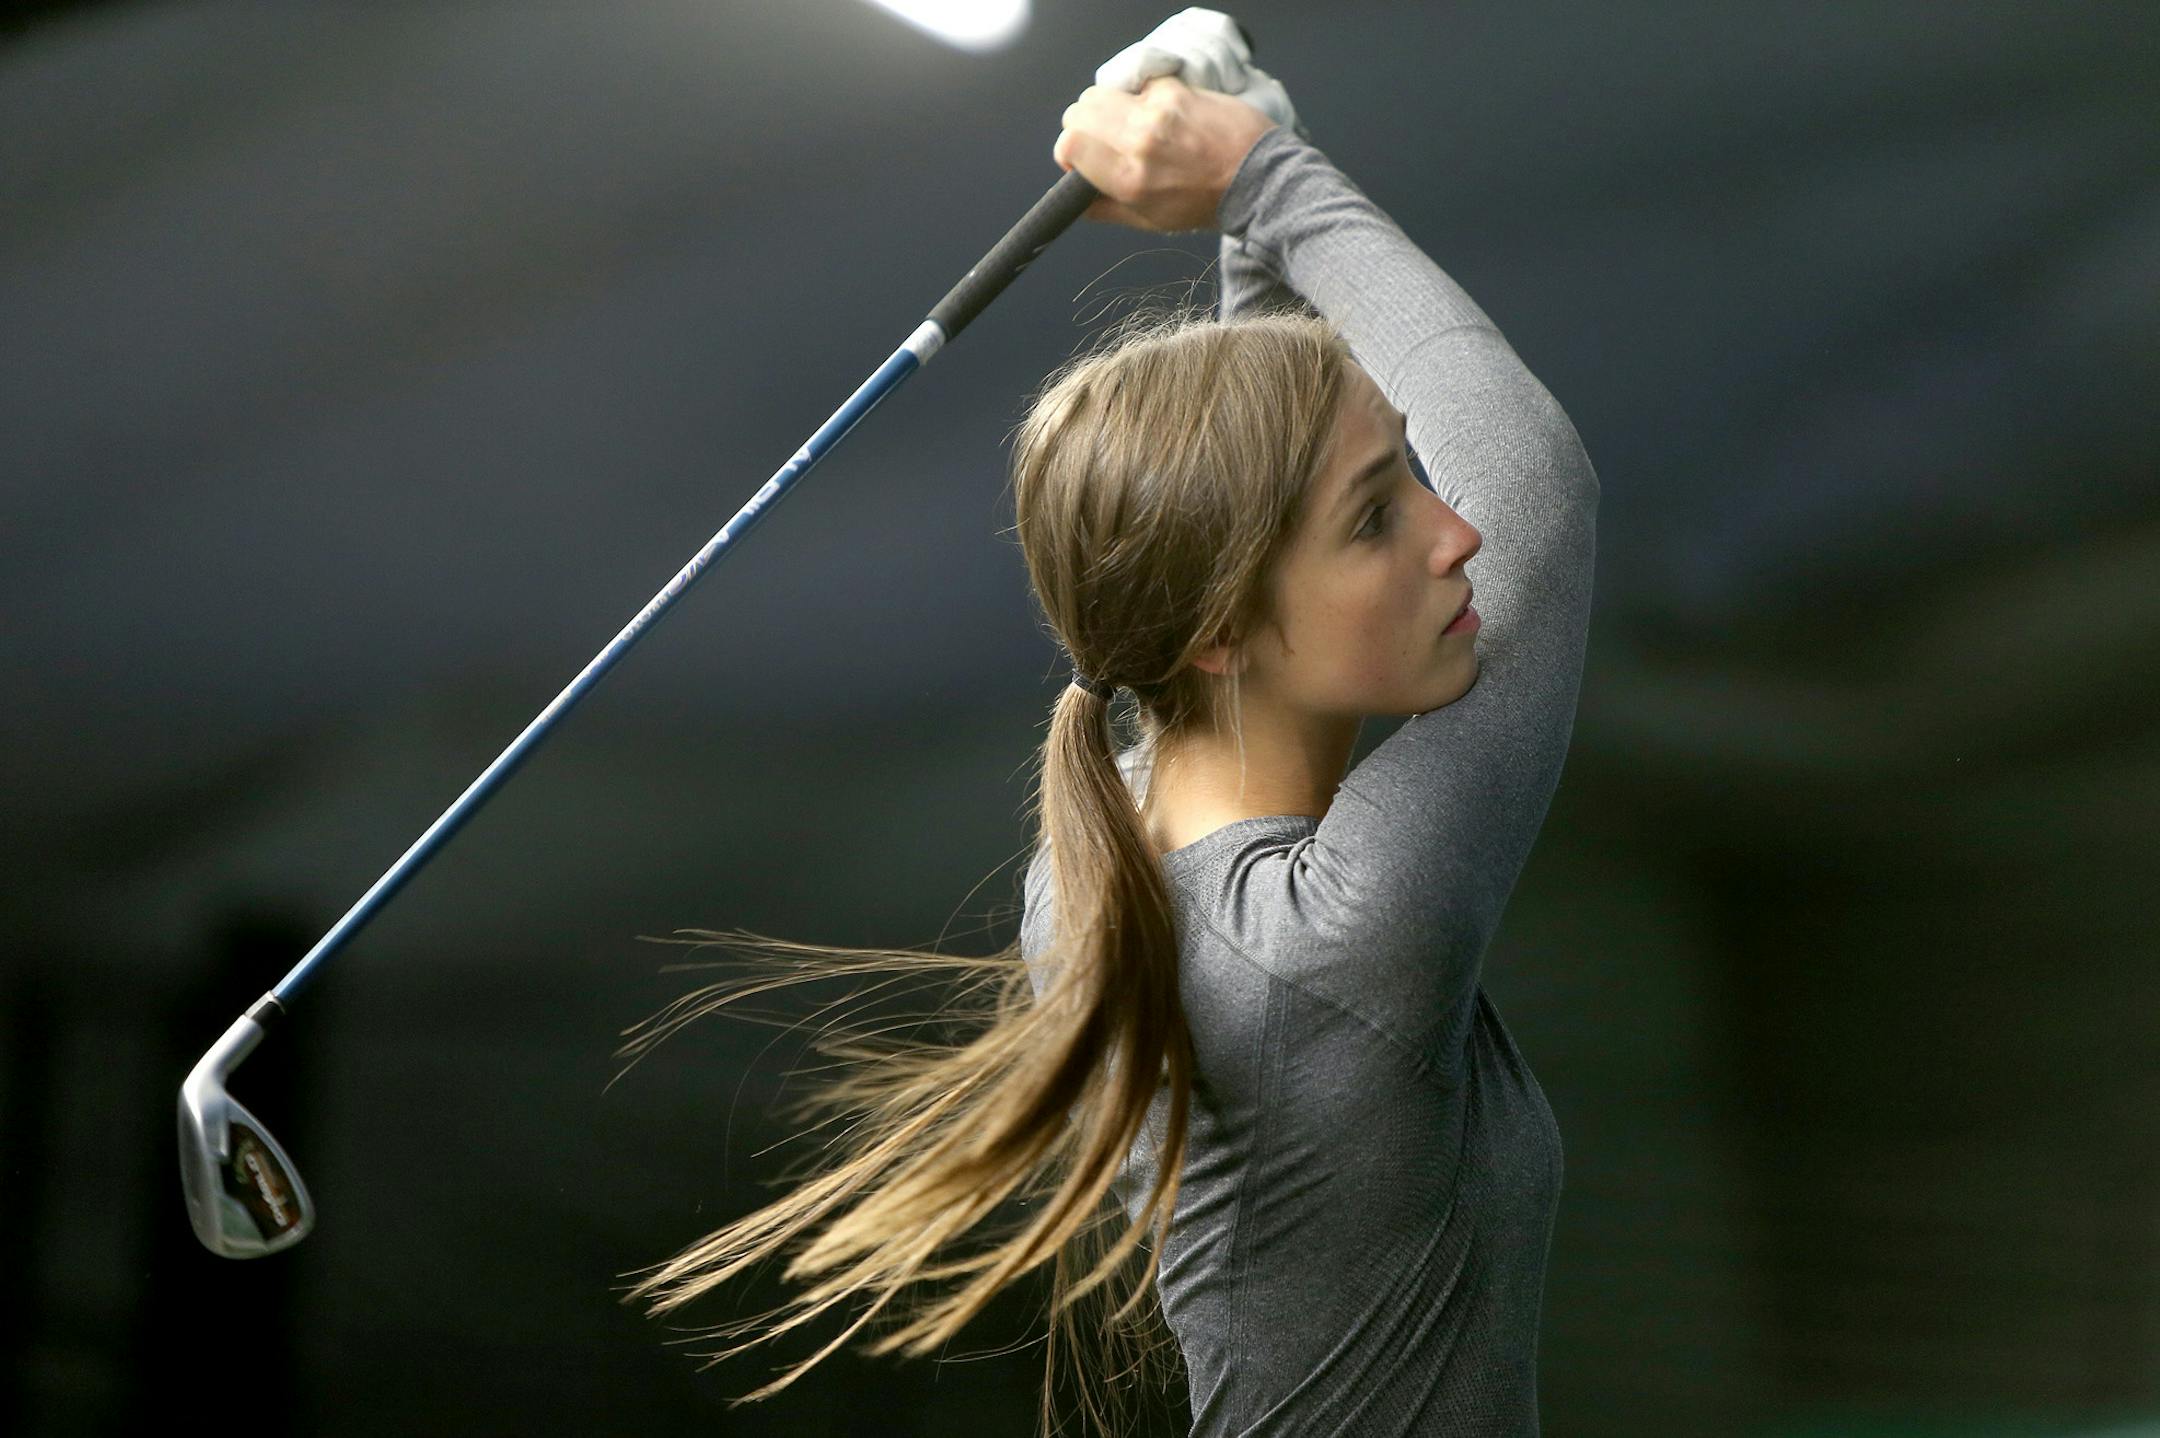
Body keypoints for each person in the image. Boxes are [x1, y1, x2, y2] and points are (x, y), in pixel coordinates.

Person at [614, 15, 1598, 1438]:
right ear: (1219, 633)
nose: (1455, 536)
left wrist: (1242, 158)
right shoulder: (1338, 943)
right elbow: (1541, 502)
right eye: (1382, 514)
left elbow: (1248, 486)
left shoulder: (1107, 856)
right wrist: (1262, 173)